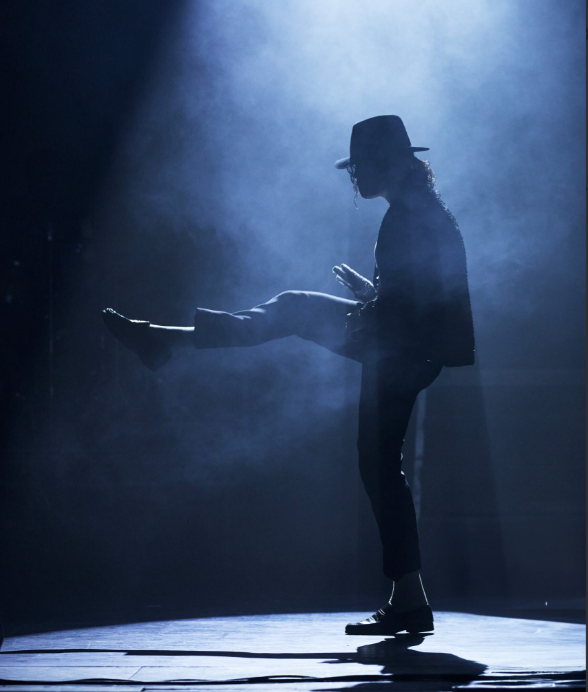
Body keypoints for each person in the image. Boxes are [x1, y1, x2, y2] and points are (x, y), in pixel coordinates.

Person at [102, 115, 475, 635]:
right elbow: (420, 299)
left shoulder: (411, 217)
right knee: (376, 461)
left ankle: (164, 340)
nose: (355, 178)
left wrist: (371, 308)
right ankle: (165, 339)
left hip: (401, 351)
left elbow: (427, 306)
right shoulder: (415, 211)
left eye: (361, 166)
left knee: (298, 318)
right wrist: (372, 296)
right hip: (403, 346)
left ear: (387, 162)